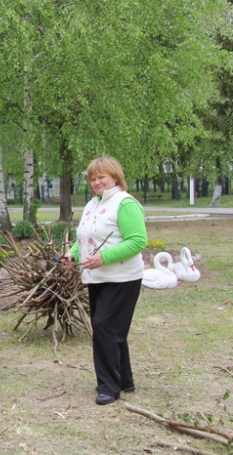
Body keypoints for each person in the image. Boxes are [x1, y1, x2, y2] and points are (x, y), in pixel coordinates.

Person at [62, 156, 147, 405]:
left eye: (102, 177)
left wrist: (104, 257)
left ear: (115, 177)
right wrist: (72, 254)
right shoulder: (92, 205)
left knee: (105, 328)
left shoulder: (125, 203)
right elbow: (85, 237)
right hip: (97, 278)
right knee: (111, 330)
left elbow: (138, 241)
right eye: (92, 178)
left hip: (122, 277)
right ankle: (124, 380)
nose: (97, 182)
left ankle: (109, 387)